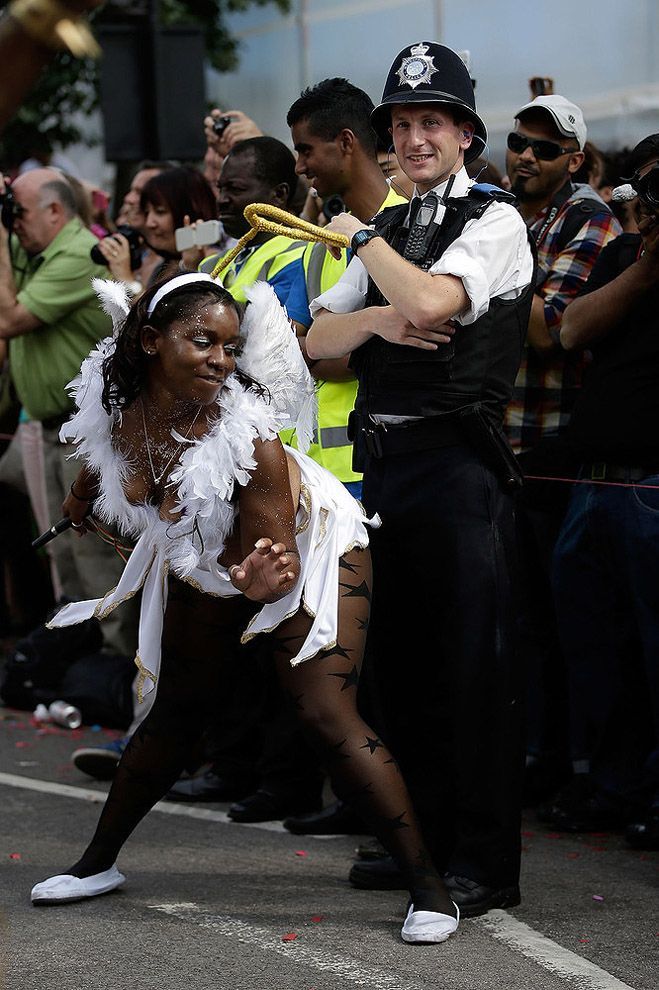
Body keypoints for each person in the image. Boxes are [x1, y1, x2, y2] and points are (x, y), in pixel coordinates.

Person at [30, 272, 459, 944]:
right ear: (148, 341)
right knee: (176, 710)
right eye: (203, 342)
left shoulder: (245, 439)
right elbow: (106, 451)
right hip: (204, 554)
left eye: (230, 349)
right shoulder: (116, 403)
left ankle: (430, 893)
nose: (220, 361)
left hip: (308, 547)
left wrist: (257, 584)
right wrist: (84, 495)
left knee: (323, 712)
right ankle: (96, 864)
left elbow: (274, 553)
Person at [305, 42, 535, 917]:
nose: (411, 139)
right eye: (399, 124)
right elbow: (314, 346)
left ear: (465, 133)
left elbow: (437, 306)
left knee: (472, 670)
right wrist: (374, 313)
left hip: (457, 465)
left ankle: (485, 861)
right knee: (399, 668)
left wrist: (369, 247)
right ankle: (423, 839)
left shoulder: (494, 217)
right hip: (386, 468)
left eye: (429, 122)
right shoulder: (397, 229)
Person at [280, 76, 409, 836]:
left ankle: (384, 811)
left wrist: (333, 335)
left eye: (306, 148)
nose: (301, 163)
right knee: (339, 659)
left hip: (375, 474)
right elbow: (309, 344)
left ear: (346, 143)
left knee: (378, 662)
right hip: (331, 477)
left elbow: (324, 353)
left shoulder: (401, 227)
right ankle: (356, 801)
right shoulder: (337, 230)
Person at [502, 95, 622, 805]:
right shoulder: (515, 217)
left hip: (548, 446)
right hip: (500, 440)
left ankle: (570, 770)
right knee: (514, 621)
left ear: (574, 160)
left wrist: (494, 262)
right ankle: (535, 762)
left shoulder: (585, 216)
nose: (526, 155)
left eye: (545, 149)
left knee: (554, 625)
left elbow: (549, 329)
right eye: (520, 141)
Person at [549, 135, 659, 848]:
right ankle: (614, 785)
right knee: (595, 651)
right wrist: (649, 264)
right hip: (591, 485)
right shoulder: (626, 258)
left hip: (653, 489)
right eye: (644, 188)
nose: (648, 203)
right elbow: (571, 330)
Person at [0, 168, 137, 660]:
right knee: (64, 555)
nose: (14, 224)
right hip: (46, 431)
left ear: (56, 211)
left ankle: (118, 671)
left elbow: (6, 317)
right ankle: (82, 665)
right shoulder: (39, 253)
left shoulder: (80, 255)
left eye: (20, 213)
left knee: (94, 554)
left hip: (83, 434)